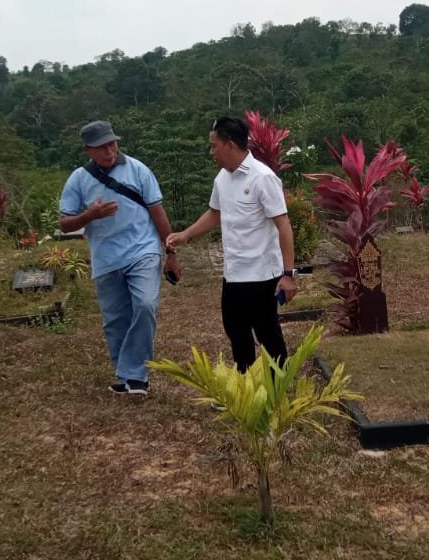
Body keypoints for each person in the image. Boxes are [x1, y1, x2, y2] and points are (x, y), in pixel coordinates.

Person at [166, 116, 297, 372]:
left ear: (230, 144)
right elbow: (215, 213)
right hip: (234, 274)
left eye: (214, 145)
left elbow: (283, 225)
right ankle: (245, 387)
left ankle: (277, 390)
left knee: (268, 336)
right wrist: (186, 234)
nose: (211, 151)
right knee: (236, 333)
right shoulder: (222, 179)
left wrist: (289, 274)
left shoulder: (263, 178)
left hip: (262, 276)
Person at [59, 120, 181, 395]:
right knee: (116, 319)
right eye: (102, 147)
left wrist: (170, 252)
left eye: (112, 143)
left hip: (143, 250)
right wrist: (89, 216)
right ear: (88, 150)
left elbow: (157, 212)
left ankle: (135, 374)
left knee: (145, 305)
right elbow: (65, 223)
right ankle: (129, 377)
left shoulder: (138, 170)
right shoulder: (78, 179)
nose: (110, 150)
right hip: (106, 257)